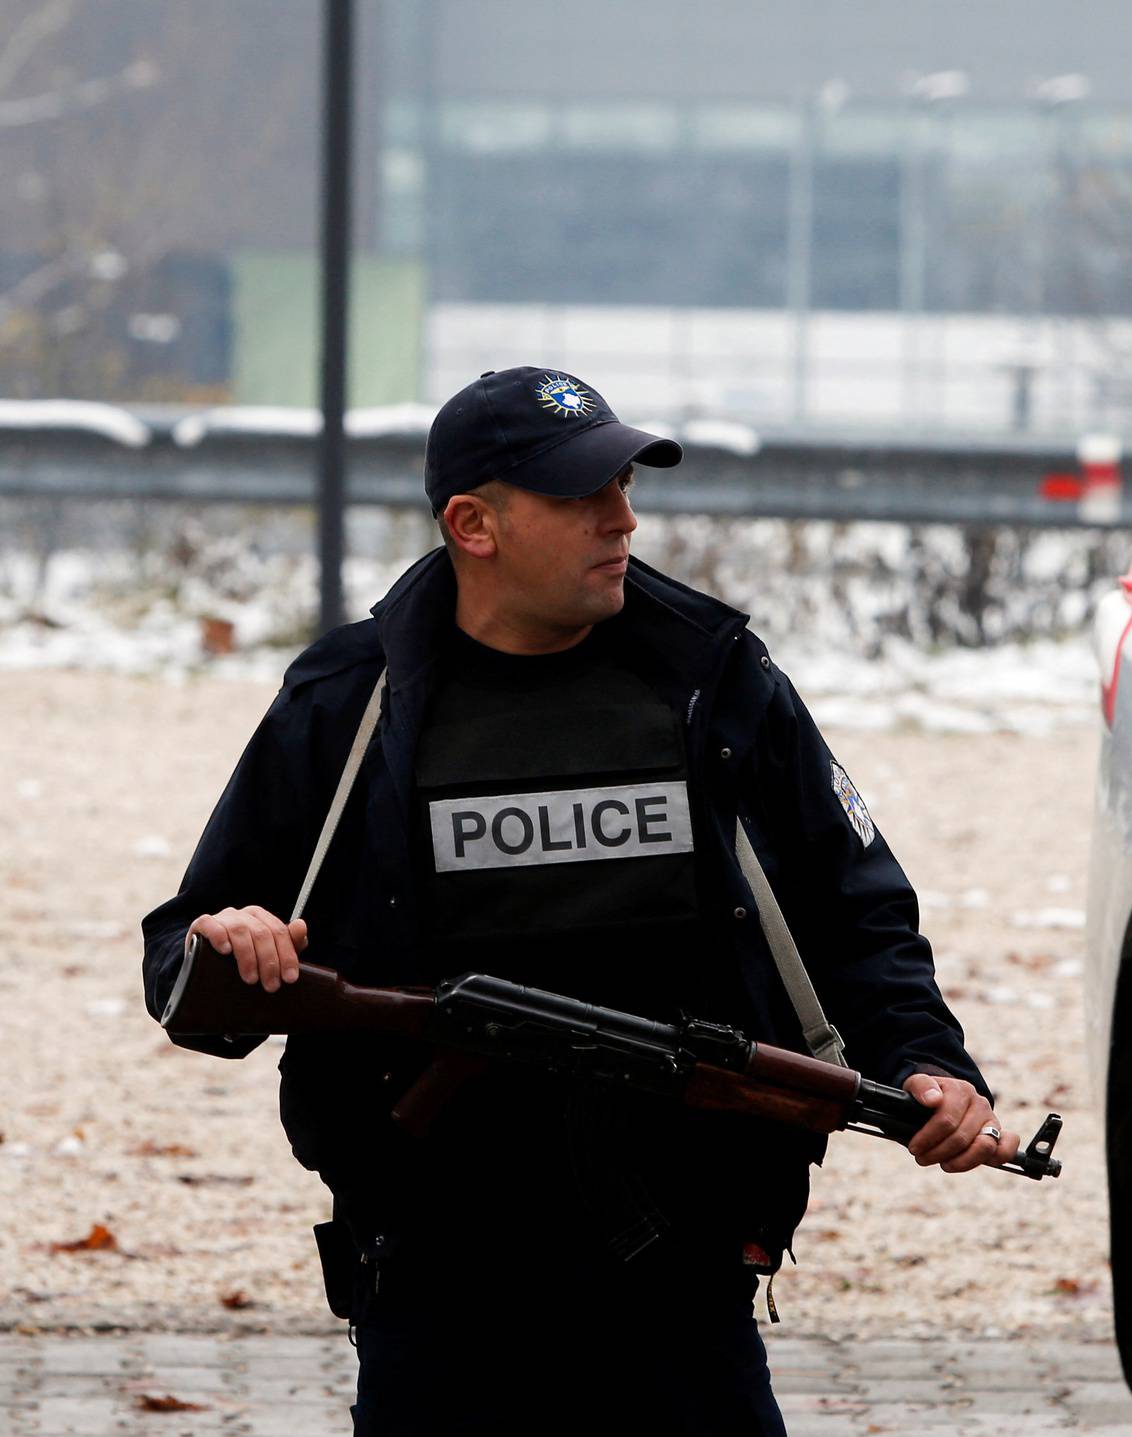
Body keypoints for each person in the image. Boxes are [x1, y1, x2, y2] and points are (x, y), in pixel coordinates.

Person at [139, 367, 1016, 1435]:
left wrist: (925, 1061)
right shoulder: (353, 700)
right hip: (434, 1256)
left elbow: (855, 906)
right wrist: (231, 938)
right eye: (579, 496)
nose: (623, 518)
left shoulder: (715, 680)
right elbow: (181, 954)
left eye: (627, 485)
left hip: (682, 1245)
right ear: (474, 524)